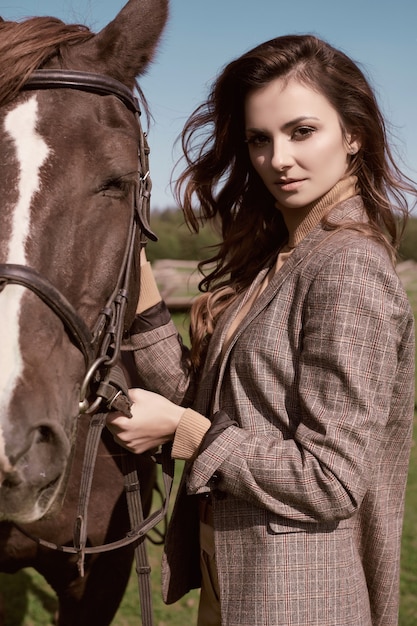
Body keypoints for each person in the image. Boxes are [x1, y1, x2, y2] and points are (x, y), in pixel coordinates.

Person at [107, 34, 416, 626]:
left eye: (302, 131)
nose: (278, 159)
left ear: (353, 135)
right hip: (236, 586)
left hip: (296, 599)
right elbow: (213, 405)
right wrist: (143, 294)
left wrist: (187, 434)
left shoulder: (345, 267)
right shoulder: (284, 258)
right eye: (259, 139)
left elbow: (329, 479)